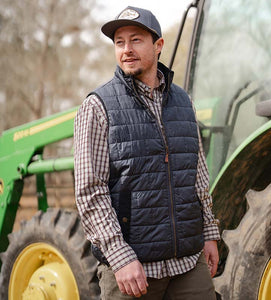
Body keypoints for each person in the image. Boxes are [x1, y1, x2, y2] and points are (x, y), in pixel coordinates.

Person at [74, 6, 220, 299]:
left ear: (158, 45)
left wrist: (209, 233)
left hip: (188, 264)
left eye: (136, 40)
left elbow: (197, 175)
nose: (126, 49)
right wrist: (119, 255)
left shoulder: (183, 102)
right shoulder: (97, 107)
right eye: (119, 42)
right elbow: (90, 191)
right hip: (132, 270)